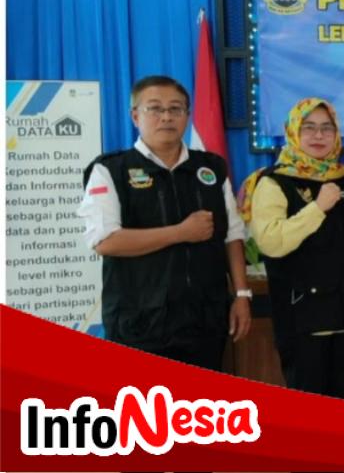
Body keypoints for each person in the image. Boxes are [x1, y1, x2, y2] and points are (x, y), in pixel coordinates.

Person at [78, 75, 251, 370]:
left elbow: (232, 234)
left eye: (175, 108)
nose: (167, 117)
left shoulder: (211, 167)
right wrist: (180, 232)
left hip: (204, 321)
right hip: (140, 323)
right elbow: (105, 241)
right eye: (155, 108)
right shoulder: (111, 170)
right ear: (135, 115)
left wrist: (242, 294)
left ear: (187, 115)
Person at [242, 97, 344, 400]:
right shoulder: (273, 182)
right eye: (309, 128)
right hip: (302, 315)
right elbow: (271, 242)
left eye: (326, 128)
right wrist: (317, 208)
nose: (318, 135)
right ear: (294, 132)